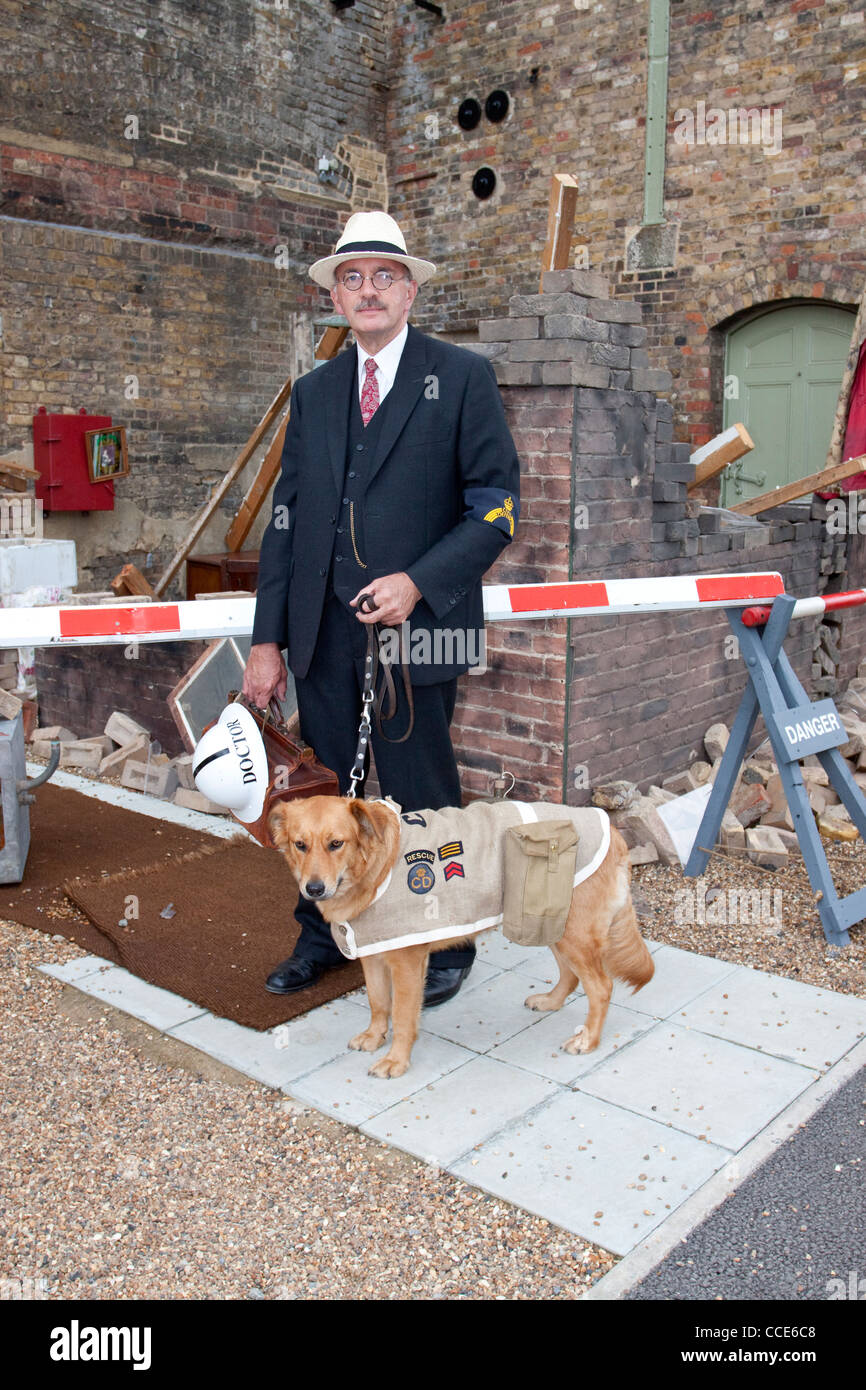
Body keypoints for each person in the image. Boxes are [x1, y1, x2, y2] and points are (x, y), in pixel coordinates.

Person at [243, 209, 520, 1006]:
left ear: (409, 291)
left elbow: (497, 509)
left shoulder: (461, 376)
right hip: (322, 636)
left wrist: (420, 582)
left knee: (421, 786)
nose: (367, 290)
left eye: (383, 276)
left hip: (423, 633)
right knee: (320, 799)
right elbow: (286, 523)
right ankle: (323, 932)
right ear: (336, 295)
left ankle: (445, 935)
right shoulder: (315, 392)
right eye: (351, 277)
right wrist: (267, 644)